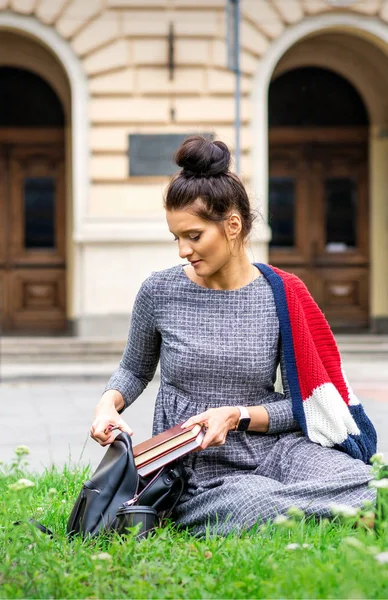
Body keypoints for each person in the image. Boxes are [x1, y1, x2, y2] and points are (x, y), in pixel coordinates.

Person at [90, 135, 377, 536]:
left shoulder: (284, 293)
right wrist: (108, 407)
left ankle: (310, 509)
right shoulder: (160, 291)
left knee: (370, 486)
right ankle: (313, 512)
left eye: (193, 236)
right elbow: (133, 371)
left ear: (232, 225)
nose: (182, 250)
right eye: (176, 237)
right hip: (198, 463)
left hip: (274, 446)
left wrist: (238, 416)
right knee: (253, 501)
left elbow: (303, 406)